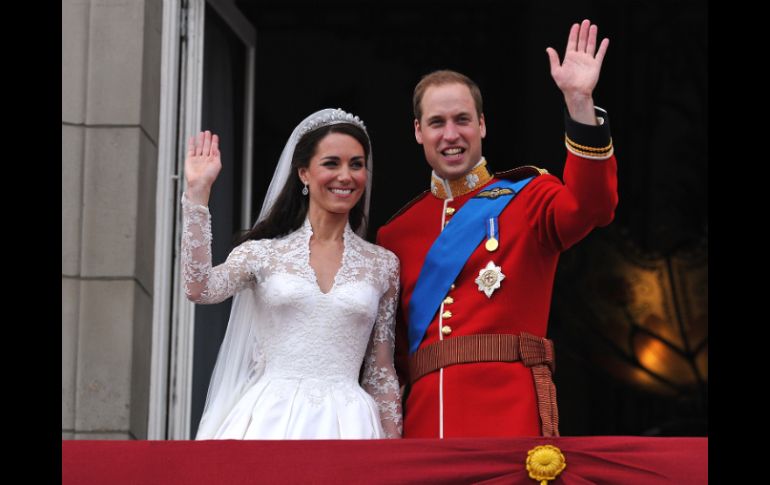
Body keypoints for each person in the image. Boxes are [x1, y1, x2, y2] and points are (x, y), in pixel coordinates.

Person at [376, 19, 618, 438]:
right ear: (418, 132)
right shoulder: (395, 233)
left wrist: (579, 103)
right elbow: (391, 356)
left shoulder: (529, 197)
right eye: (436, 122)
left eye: (462, 120)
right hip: (425, 423)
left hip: (508, 415)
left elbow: (592, 206)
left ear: (482, 125)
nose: (450, 134)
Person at [182, 108, 402, 439]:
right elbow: (199, 288)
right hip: (270, 420)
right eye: (332, 163)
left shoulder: (383, 265)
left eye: (356, 164)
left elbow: (380, 370)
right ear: (303, 173)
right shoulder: (263, 253)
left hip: (351, 426)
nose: (346, 175)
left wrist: (393, 453)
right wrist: (198, 194)